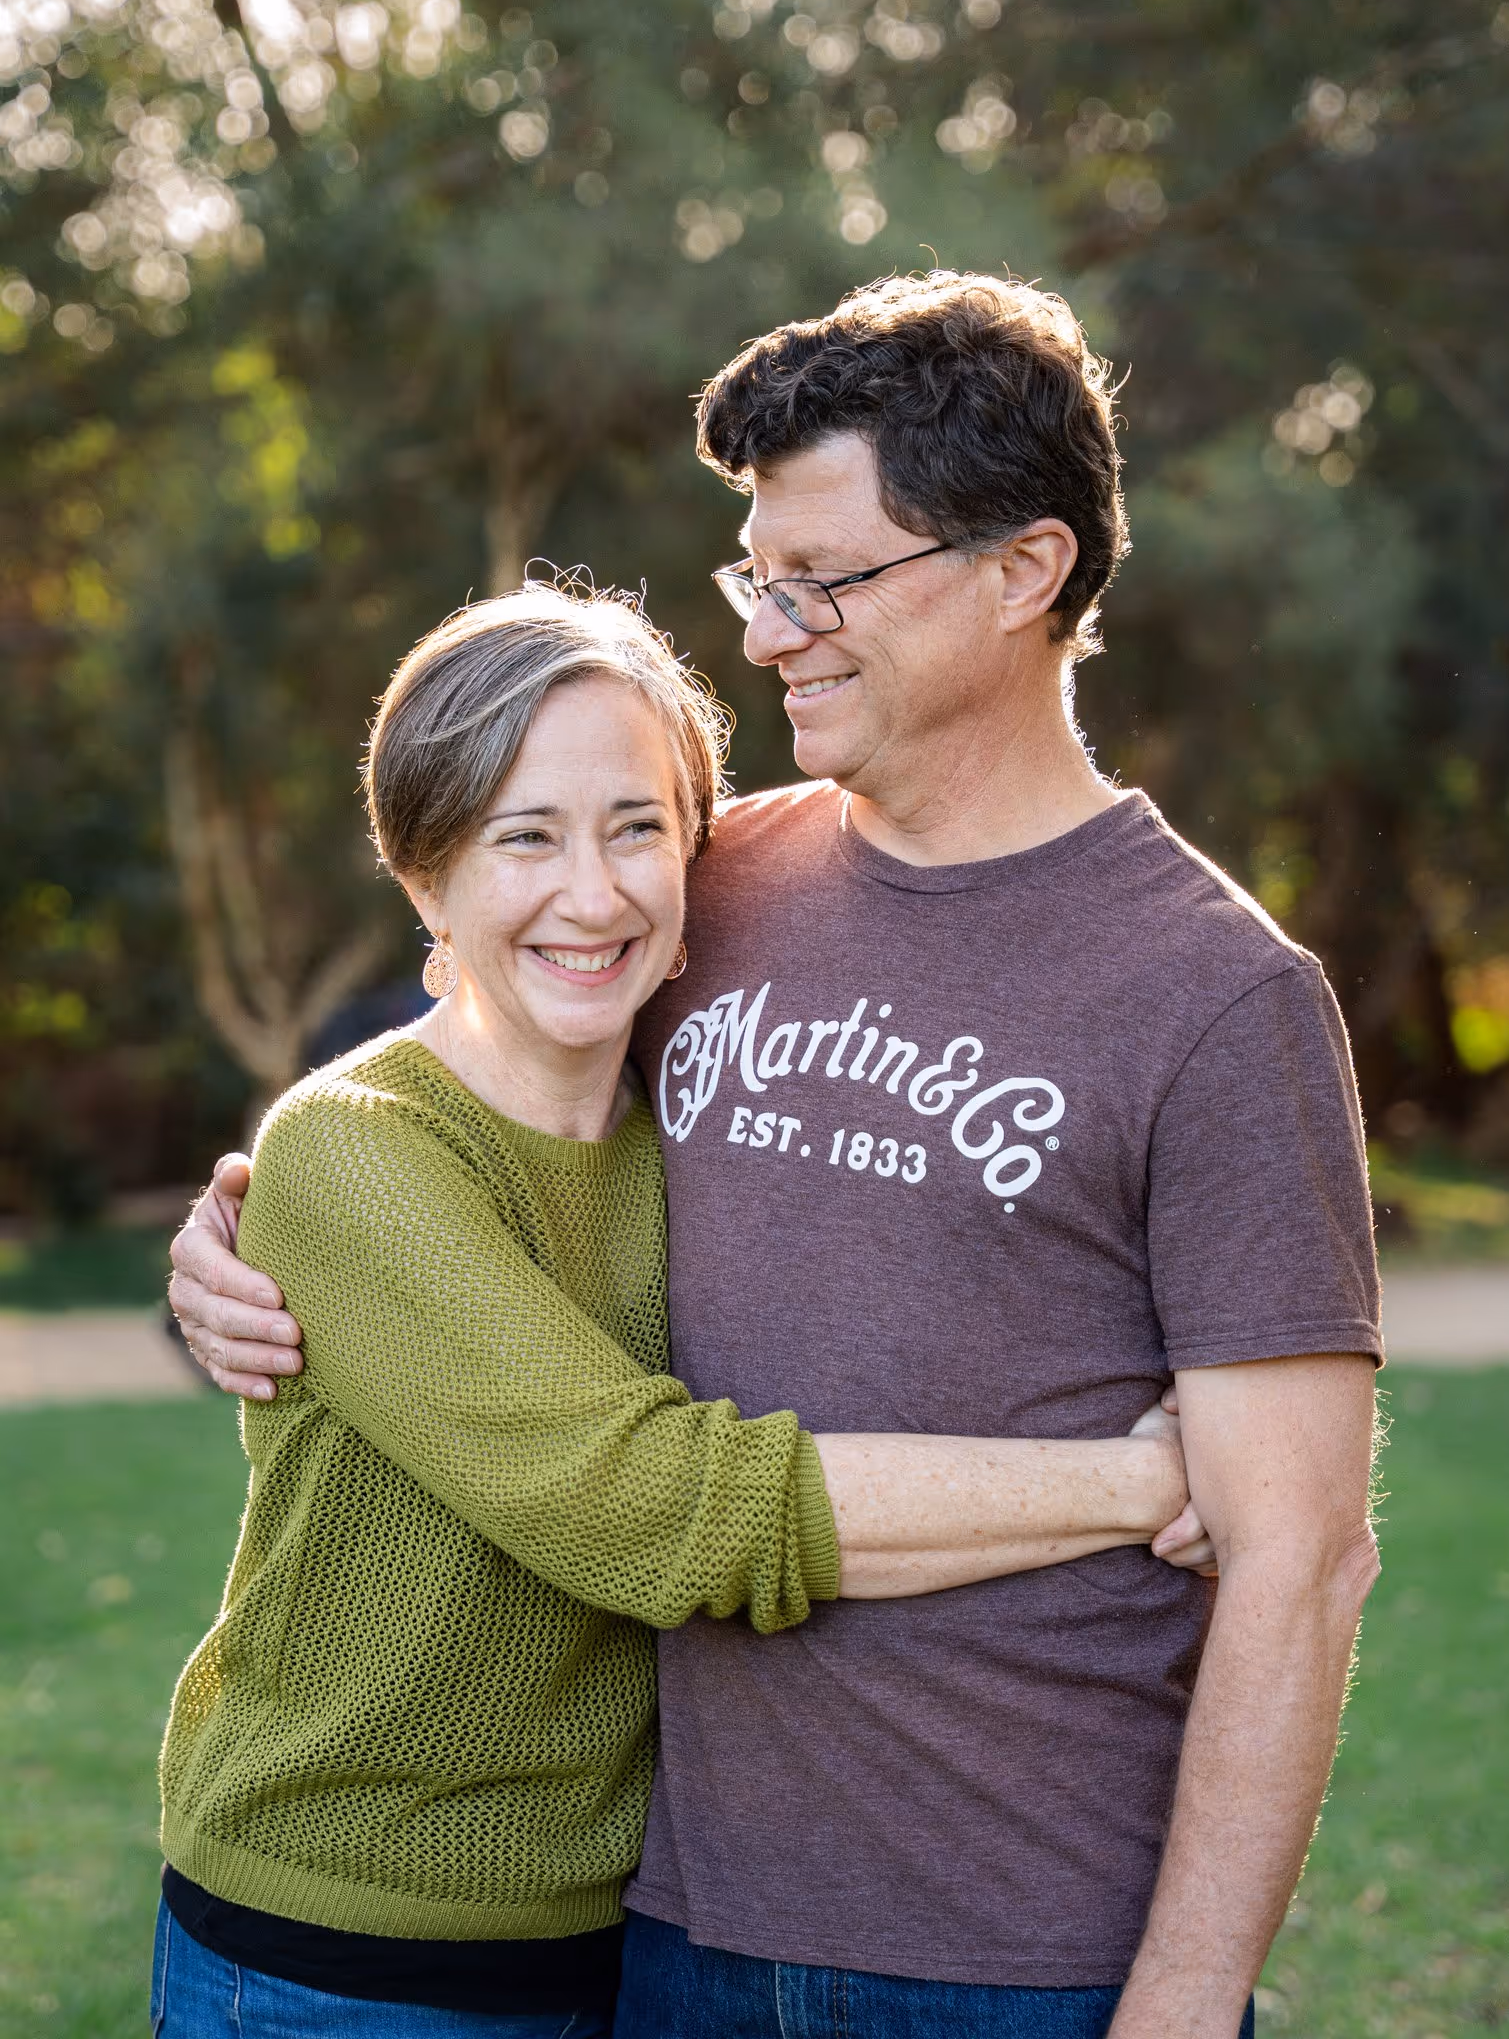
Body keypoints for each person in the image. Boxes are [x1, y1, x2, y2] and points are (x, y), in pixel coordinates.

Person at [171, 271, 1383, 2039]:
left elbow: (1301, 1555)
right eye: (761, 575)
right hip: (664, 1924)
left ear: (1025, 571)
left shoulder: (1221, 998)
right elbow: (483, 1047)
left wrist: (1188, 2002)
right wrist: (245, 1230)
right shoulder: (709, 881)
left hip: (1025, 1954)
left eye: (826, 580)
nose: (769, 630)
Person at [152, 582, 1211, 2039]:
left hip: (624, 1945)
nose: (593, 895)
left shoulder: (697, 1120)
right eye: (524, 836)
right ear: (424, 878)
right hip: (342, 1959)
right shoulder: (357, 1150)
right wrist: (1142, 1477)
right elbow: (655, 1508)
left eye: (636, 829)